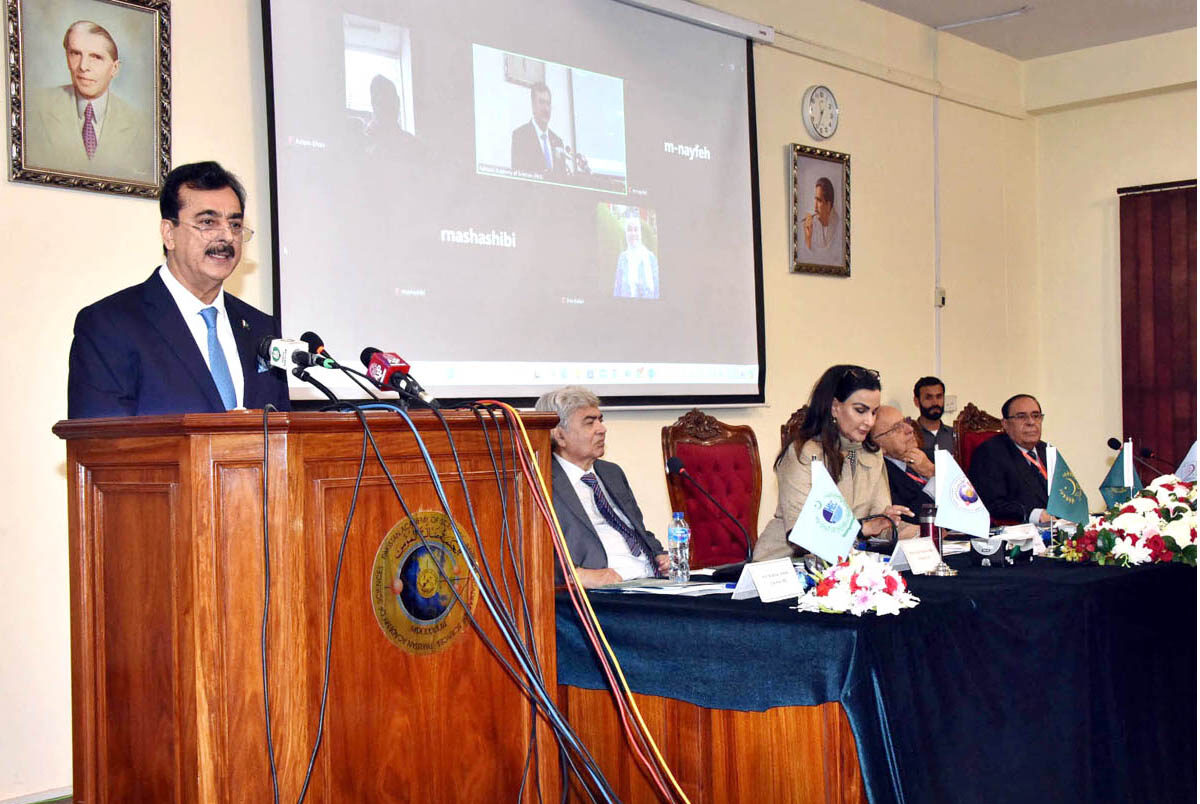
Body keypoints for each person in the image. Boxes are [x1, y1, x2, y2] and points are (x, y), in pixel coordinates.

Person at [67, 161, 291, 418]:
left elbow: (282, 431)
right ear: (169, 234)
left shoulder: (261, 328)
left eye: (235, 225)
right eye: (208, 222)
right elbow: (99, 438)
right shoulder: (109, 325)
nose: (227, 237)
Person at [754, 365, 913, 561]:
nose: (870, 422)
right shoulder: (804, 453)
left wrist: (922, 531)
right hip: (786, 564)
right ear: (834, 407)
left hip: (845, 563)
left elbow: (879, 526)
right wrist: (862, 529)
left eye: (874, 412)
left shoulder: (871, 454)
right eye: (860, 410)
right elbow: (801, 535)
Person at [535, 386, 668, 588]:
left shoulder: (611, 472)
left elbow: (637, 530)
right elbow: (528, 552)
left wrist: (660, 555)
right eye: (590, 422)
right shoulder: (539, 479)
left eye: (600, 420)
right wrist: (573, 576)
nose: (602, 429)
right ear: (559, 436)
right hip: (609, 589)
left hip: (652, 579)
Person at [25, 20, 153, 181]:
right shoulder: (35, 106)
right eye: (75, 54)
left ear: (115, 68)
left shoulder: (140, 124)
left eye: (96, 57)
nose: (83, 66)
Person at [967, 394, 1050, 524]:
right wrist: (1034, 514)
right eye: (1021, 416)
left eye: (1036, 416)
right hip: (1018, 530)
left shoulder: (1047, 450)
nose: (1031, 422)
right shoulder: (990, 452)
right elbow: (992, 503)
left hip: (1056, 527)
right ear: (1005, 424)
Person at [870, 406, 936, 524]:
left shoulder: (932, 457)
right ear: (878, 444)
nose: (910, 429)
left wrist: (932, 470)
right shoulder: (880, 475)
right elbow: (915, 517)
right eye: (896, 428)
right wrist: (933, 476)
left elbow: (964, 499)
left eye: (906, 421)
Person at [511, 82, 565, 176]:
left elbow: (563, 178)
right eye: (541, 102)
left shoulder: (557, 141)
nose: (546, 109)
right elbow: (518, 174)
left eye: (548, 103)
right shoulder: (520, 136)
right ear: (533, 106)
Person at [612, 216, 660, 299]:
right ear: (626, 234)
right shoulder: (623, 258)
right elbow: (617, 288)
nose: (633, 233)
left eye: (636, 230)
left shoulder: (650, 258)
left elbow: (657, 289)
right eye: (629, 230)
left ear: (640, 233)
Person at [800, 177, 843, 264]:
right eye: (815, 199)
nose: (815, 207)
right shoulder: (810, 225)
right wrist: (808, 238)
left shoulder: (840, 227)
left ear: (828, 205)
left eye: (819, 200)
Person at [913, 376, 956, 461]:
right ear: (917, 401)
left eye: (939, 397)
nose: (935, 402)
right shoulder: (910, 436)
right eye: (929, 398)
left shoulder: (955, 435)